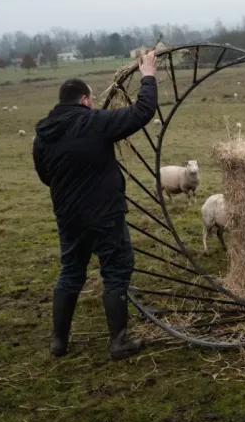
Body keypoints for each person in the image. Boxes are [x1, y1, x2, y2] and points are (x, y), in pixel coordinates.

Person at [31, 51, 159, 360]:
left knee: (70, 273)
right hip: (104, 214)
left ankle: (59, 342)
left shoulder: (43, 136)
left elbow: (45, 176)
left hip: (68, 216)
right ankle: (119, 341)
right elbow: (142, 112)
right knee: (116, 269)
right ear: (87, 100)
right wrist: (149, 75)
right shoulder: (94, 123)